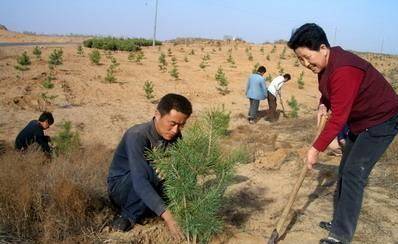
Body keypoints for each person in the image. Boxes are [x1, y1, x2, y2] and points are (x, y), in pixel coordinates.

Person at [288, 23, 398, 244]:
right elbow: (330, 94)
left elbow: (338, 117)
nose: (305, 63)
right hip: (361, 122)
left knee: (353, 174)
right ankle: (340, 221)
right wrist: (322, 103)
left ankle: (340, 236)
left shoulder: (345, 69)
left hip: (381, 122)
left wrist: (315, 149)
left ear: (323, 48)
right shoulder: (326, 66)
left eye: (308, 57)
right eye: (300, 59)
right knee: (344, 170)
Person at [107, 93, 192, 240]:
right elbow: (140, 180)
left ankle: (150, 210)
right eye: (172, 123)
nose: (176, 130)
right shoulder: (137, 135)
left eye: (181, 125)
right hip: (122, 189)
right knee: (154, 171)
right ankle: (127, 216)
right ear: (157, 115)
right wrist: (169, 218)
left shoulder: (175, 136)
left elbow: (178, 169)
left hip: (150, 186)